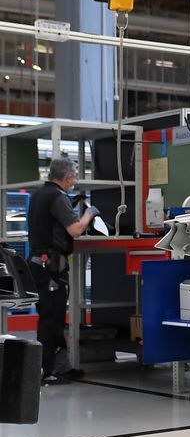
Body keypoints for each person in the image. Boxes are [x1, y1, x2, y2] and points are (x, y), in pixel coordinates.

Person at [26, 156, 98, 385]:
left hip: (38, 265)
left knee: (52, 317)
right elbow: (76, 230)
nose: (74, 179)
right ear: (68, 177)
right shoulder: (58, 197)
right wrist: (89, 213)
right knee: (51, 320)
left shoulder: (39, 195)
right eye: (74, 175)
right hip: (51, 269)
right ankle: (45, 372)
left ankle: (61, 367)